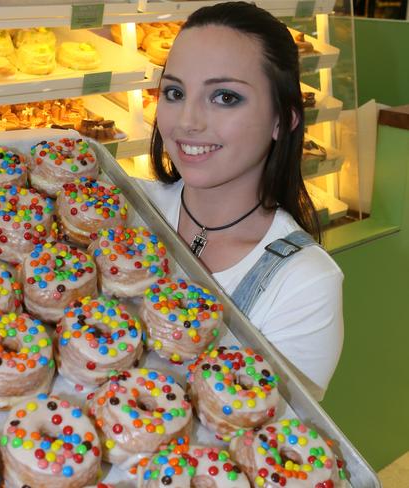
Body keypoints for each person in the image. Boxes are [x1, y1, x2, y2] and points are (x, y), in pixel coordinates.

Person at [141, 1, 343, 400]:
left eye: (225, 97)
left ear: (282, 120)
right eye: (175, 92)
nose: (187, 121)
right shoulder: (124, 207)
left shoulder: (304, 285)